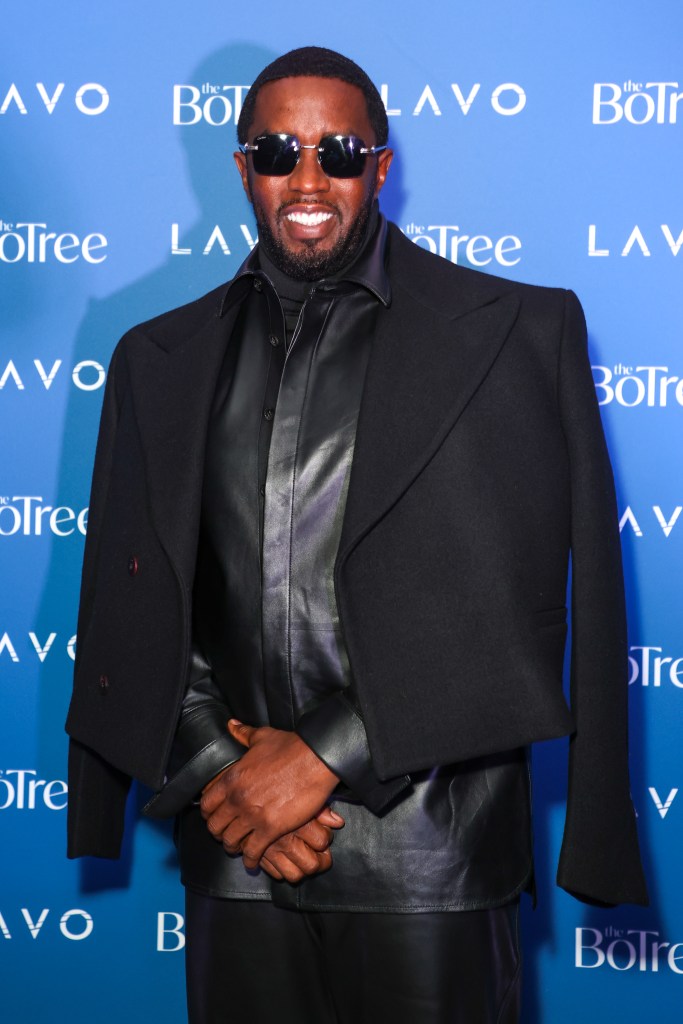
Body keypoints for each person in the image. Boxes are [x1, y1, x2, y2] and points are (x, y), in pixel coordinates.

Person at [65, 46, 647, 1024]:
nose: (306, 178)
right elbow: (138, 597)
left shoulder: (513, 332)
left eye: (336, 150)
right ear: (240, 166)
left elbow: (519, 607)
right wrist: (226, 771)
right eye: (276, 150)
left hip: (431, 853)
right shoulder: (153, 356)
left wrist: (319, 757)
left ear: (380, 165)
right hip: (238, 843)